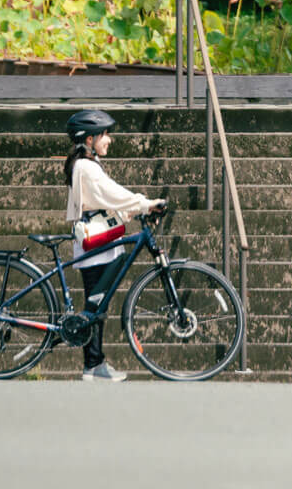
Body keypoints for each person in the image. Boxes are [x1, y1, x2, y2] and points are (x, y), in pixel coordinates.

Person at [64, 108, 164, 383]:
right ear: (88, 139)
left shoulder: (86, 165)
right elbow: (113, 195)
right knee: (95, 306)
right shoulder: (86, 167)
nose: (109, 140)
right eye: (104, 135)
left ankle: (94, 365)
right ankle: (93, 366)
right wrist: (145, 203)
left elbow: (106, 202)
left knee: (97, 306)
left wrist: (136, 209)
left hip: (101, 244)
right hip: (96, 248)